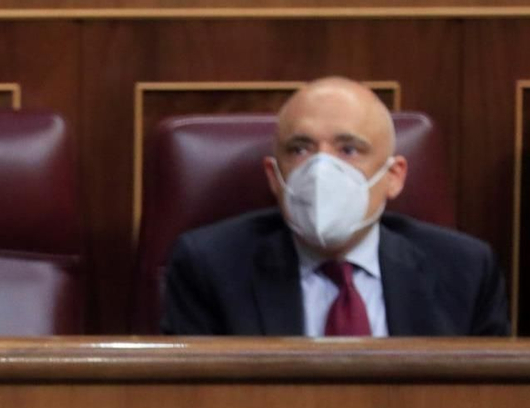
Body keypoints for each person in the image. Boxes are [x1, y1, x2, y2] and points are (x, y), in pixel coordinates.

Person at [161, 77, 508, 337]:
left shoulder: (465, 270)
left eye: (348, 150)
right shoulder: (210, 267)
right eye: (300, 149)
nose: (321, 169)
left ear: (394, 177)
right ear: (273, 176)